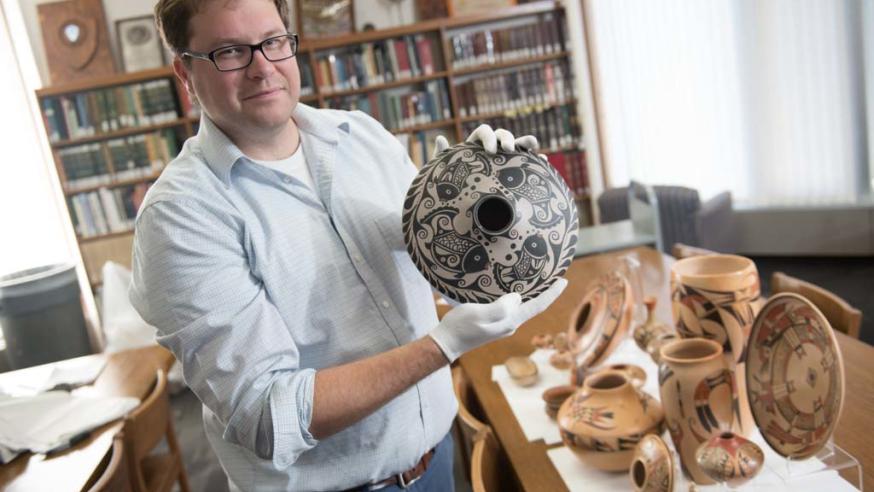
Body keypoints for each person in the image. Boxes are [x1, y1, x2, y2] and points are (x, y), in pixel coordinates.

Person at [130, 0, 567, 490]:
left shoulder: (361, 136)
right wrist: (444, 346)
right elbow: (268, 415)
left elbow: (453, 276)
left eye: (273, 41)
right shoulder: (181, 216)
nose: (263, 68)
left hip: (436, 462)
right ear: (184, 72)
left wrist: (487, 198)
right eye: (231, 51)